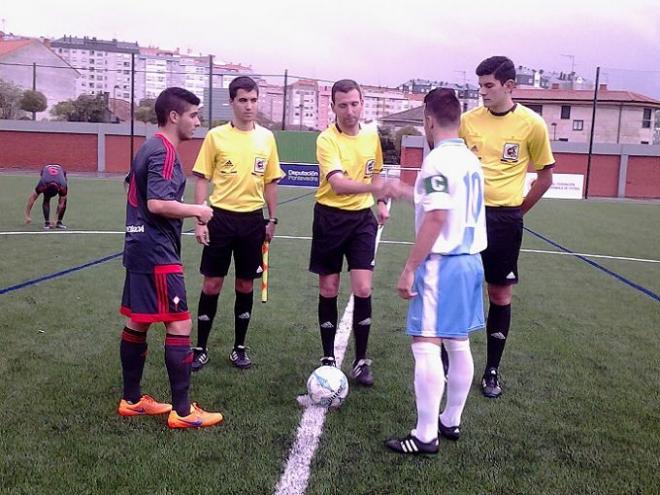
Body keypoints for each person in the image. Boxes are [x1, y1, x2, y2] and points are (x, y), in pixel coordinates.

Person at [385, 88, 486, 455]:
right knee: (458, 342)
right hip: (472, 260)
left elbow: (438, 215)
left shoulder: (437, 160)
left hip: (443, 263)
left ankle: (426, 435)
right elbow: (446, 203)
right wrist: (409, 191)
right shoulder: (470, 159)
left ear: (428, 121)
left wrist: (410, 267)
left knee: (426, 343)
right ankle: (451, 420)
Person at [117, 87, 223, 429]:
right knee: (179, 323)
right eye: (193, 115)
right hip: (156, 251)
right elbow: (157, 204)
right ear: (174, 116)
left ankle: (132, 400)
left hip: (138, 246)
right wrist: (199, 211)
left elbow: (131, 187)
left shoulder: (149, 146)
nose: (197, 121)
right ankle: (182, 412)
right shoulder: (163, 150)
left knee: (139, 320)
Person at [460, 56, 555, 398]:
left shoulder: (533, 125)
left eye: (489, 86)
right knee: (459, 288)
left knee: (499, 294)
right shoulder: (467, 121)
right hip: (467, 218)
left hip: (505, 220)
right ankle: (451, 362)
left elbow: (545, 177)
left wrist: (518, 212)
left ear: (509, 86)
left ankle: (491, 370)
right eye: (480, 86)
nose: (482, 92)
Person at [191, 76, 283, 372]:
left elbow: (270, 182)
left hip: (252, 221)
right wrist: (200, 218)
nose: (249, 106)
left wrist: (272, 219)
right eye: (243, 100)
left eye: (253, 100)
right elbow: (202, 178)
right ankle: (200, 348)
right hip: (220, 218)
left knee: (245, 284)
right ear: (231, 102)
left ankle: (239, 348)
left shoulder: (267, 138)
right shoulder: (215, 137)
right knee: (212, 283)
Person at [310, 79, 389, 387]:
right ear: (333, 107)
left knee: (364, 288)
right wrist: (377, 188)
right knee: (329, 288)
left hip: (361, 221)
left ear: (362, 104)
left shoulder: (372, 137)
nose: (349, 110)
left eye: (354, 104)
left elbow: (378, 171)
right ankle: (328, 357)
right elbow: (338, 184)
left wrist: (380, 201)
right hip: (329, 218)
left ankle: (360, 360)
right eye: (342, 105)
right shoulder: (326, 140)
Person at [24, 164, 69, 229]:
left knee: (64, 199)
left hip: (60, 170)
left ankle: (59, 222)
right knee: (46, 199)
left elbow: (61, 203)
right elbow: (32, 198)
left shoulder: (63, 185)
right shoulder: (42, 184)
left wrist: (55, 219)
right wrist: (27, 215)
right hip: (46, 169)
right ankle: (47, 222)